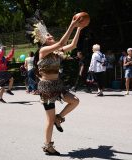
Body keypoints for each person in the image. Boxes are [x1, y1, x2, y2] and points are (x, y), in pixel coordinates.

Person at [26, 13, 83, 155]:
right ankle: (47, 146)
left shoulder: (56, 51)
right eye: (49, 36)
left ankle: (59, 118)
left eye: (51, 35)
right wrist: (72, 24)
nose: (51, 36)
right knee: (49, 120)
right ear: (43, 40)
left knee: (75, 101)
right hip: (46, 88)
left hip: (57, 84)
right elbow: (62, 43)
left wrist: (79, 29)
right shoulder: (43, 51)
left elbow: (73, 45)